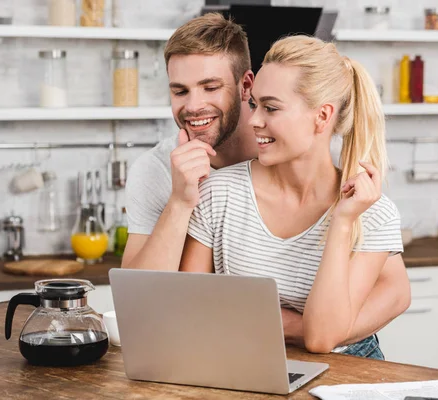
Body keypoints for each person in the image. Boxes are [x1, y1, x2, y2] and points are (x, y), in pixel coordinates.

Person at [123, 13, 410, 357]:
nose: (194, 105)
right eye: (180, 90)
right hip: (247, 349)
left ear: (245, 85)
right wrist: (181, 200)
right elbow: (162, 304)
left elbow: (393, 289)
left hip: (345, 354)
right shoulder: (198, 184)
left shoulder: (347, 176)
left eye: (211, 87)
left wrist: (343, 224)